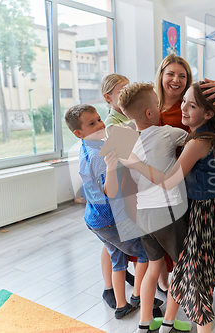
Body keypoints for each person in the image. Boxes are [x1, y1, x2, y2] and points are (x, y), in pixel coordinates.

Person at [120, 82, 215, 333]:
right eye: (184, 101)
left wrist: (135, 163)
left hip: (202, 214)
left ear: (207, 113)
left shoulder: (193, 141)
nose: (182, 107)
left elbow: (169, 181)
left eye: (191, 105)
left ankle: (164, 323)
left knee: (196, 278)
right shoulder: (211, 135)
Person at [154, 54, 215, 309]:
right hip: (159, 191)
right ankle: (165, 292)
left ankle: (207, 288)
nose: (176, 80)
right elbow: (125, 136)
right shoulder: (149, 107)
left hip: (189, 190)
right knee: (159, 251)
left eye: (182, 75)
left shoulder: (193, 108)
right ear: (160, 75)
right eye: (170, 74)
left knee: (195, 247)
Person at [117, 82, 190, 333]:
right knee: (182, 266)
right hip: (167, 212)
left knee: (152, 265)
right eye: (157, 105)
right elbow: (191, 138)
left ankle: (144, 322)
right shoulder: (167, 133)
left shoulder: (123, 139)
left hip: (141, 214)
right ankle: (168, 323)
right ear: (150, 113)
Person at [64, 104, 148, 319]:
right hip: (109, 220)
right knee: (144, 253)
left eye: (99, 119)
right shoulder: (99, 157)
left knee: (118, 259)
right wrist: (113, 167)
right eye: (92, 124)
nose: (101, 124)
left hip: (95, 219)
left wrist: (122, 141)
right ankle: (137, 296)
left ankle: (121, 306)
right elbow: (110, 191)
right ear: (78, 133)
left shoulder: (87, 147)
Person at [97, 73, 135, 309]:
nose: (127, 95)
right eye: (122, 91)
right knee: (111, 243)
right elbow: (124, 153)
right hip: (118, 187)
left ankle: (120, 277)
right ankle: (108, 288)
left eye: (129, 90)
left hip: (130, 186)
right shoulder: (113, 123)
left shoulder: (126, 116)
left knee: (126, 239)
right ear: (108, 97)